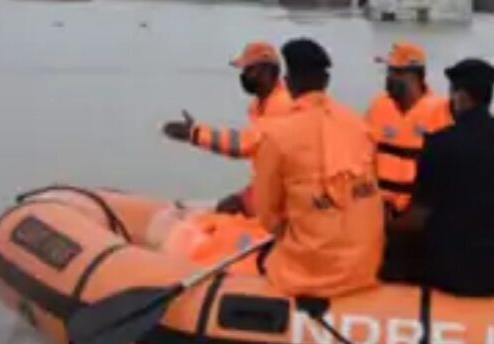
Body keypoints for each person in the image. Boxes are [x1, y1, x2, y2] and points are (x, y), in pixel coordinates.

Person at [390, 58, 494, 297]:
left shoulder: (439, 144)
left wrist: (384, 225)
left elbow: (419, 218)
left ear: (460, 96)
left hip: (447, 275)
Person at [251, 38, 384, 298]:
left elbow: (268, 216)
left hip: (314, 275)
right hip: (366, 265)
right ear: (326, 81)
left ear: (287, 83)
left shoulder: (277, 135)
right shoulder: (360, 125)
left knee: (266, 258)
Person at [162, 41, 292, 215]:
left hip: (285, 191)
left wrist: (194, 133)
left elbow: (246, 144)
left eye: (248, 70)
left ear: (266, 70)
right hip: (271, 185)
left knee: (228, 209)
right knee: (228, 206)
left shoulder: (281, 104)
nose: (244, 75)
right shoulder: (260, 105)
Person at [366, 42, 453, 217]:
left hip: (422, 214)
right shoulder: (378, 106)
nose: (389, 77)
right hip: (379, 210)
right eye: (388, 71)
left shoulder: (442, 110)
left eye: (396, 72)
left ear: (415, 75)